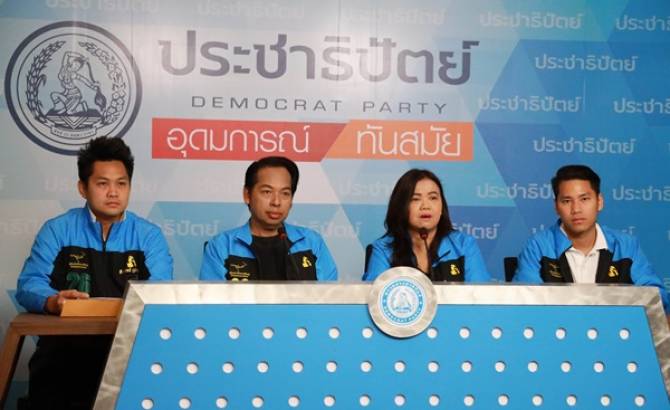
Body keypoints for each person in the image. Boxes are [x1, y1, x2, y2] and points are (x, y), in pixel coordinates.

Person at [15, 136, 173, 410]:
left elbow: (160, 292)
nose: (113, 193)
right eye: (102, 184)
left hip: (127, 355)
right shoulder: (57, 230)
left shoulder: (149, 236)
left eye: (121, 184)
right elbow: (29, 283)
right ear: (82, 188)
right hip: (62, 356)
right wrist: (53, 301)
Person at [513, 165, 669, 309]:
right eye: (566, 201)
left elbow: (657, 298)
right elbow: (523, 301)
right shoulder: (538, 246)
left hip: (613, 327)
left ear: (599, 202)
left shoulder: (625, 245)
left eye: (584, 199)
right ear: (556, 207)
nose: (576, 209)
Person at [200, 156, 337, 281]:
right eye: (267, 192)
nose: (276, 202)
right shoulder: (222, 246)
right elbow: (211, 298)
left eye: (285, 193)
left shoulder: (311, 243)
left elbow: (331, 295)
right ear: (247, 195)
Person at [363, 169, 491, 282]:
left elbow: (480, 295)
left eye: (433, 198)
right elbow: (376, 295)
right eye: (415, 199)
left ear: (441, 207)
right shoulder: (383, 249)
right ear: (401, 207)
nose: (425, 206)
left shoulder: (463, 245)